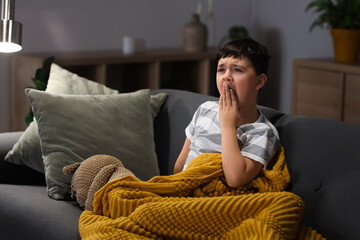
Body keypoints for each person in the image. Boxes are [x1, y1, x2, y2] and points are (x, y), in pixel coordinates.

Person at [173, 38, 280, 188]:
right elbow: (180, 165)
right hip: (182, 189)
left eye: (237, 70)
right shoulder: (205, 110)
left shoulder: (263, 132)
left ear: (259, 82)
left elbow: (235, 179)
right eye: (221, 70)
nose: (226, 76)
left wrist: (228, 126)